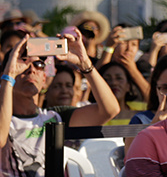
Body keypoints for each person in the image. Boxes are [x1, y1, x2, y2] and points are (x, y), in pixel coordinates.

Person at [0, 33, 120, 177]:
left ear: (44, 78)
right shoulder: (4, 121)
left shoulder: (56, 117)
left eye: (38, 65)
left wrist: (84, 63)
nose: (31, 70)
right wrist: (9, 76)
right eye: (23, 63)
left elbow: (110, 110)